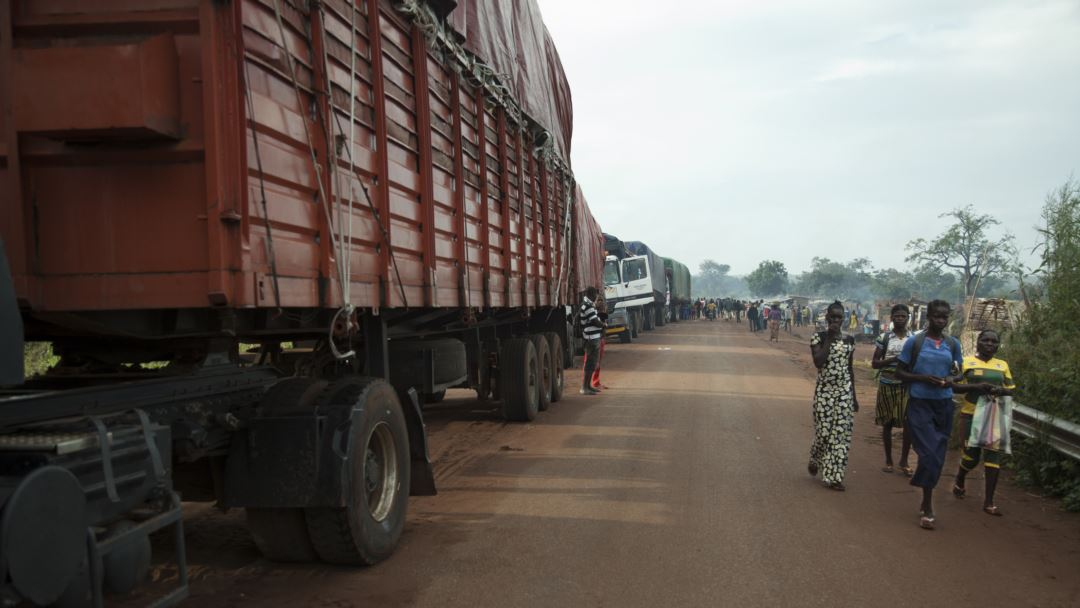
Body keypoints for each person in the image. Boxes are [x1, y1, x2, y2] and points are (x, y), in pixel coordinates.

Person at [895, 299, 963, 530]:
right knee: (929, 455)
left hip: (944, 406)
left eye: (944, 317)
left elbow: (958, 373)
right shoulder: (915, 342)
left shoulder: (953, 344)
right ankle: (927, 503)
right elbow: (900, 372)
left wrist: (950, 380)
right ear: (928, 317)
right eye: (936, 316)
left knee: (939, 455)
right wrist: (923, 378)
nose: (941, 321)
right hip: (919, 403)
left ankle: (925, 499)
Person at [951, 329, 1016, 516]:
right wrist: (975, 387)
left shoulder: (1002, 365)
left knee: (993, 459)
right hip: (970, 415)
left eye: (994, 341)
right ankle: (960, 477)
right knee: (971, 458)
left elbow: (1010, 389)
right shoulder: (966, 362)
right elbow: (955, 386)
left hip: (994, 415)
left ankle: (989, 502)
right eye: (985, 340)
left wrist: (998, 390)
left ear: (998, 345)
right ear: (978, 342)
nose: (989, 344)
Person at [807, 301, 859, 491]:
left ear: (843, 319)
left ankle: (833, 477)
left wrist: (853, 396)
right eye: (833, 317)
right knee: (823, 433)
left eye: (839, 317)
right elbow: (818, 362)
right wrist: (829, 338)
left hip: (844, 392)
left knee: (840, 435)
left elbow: (850, 369)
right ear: (827, 317)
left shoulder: (849, 340)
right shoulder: (818, 338)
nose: (836, 320)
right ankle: (815, 458)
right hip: (824, 392)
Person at [871, 304, 914, 476]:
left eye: (903, 316)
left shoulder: (913, 339)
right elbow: (875, 363)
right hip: (887, 383)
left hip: (906, 385)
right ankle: (889, 460)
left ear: (908, 318)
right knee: (887, 423)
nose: (900, 319)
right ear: (892, 318)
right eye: (897, 316)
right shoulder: (884, 337)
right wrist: (895, 359)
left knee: (908, 424)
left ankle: (904, 461)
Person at [579, 287, 604, 395]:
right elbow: (595, 321)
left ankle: (588, 386)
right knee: (589, 364)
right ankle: (584, 387)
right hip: (590, 339)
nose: (595, 297)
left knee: (592, 364)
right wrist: (603, 325)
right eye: (594, 295)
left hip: (593, 338)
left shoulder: (589, 305)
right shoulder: (587, 306)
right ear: (590, 294)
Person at [591, 296, 610, 391]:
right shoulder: (594, 313)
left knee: (598, 362)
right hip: (597, 339)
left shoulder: (601, 312)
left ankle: (595, 382)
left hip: (600, 338)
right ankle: (593, 383)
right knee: (595, 362)